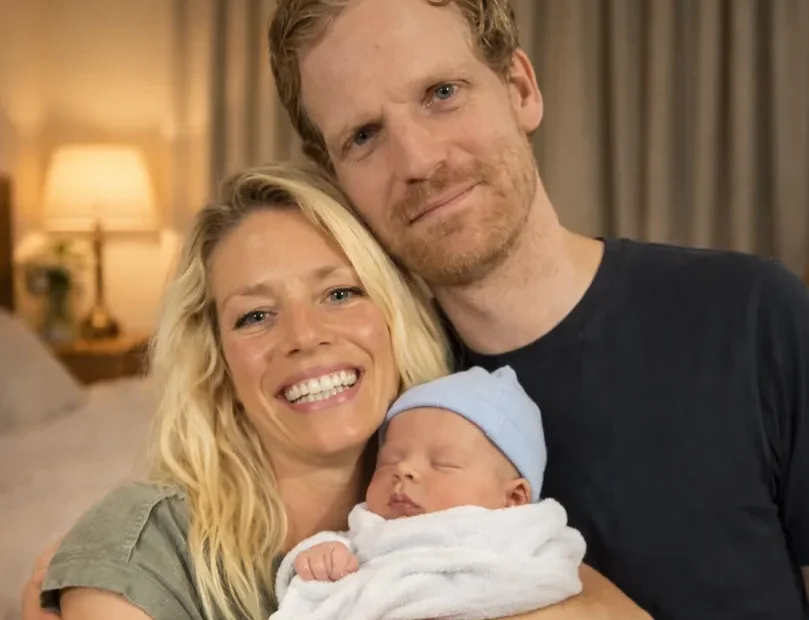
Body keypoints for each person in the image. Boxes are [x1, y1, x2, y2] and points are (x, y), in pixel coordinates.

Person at [263, 0, 809, 618]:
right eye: (363, 136)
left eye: (442, 93)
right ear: (336, 178)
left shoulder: (752, 315)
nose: (418, 162)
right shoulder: (362, 401)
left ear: (521, 90)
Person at [25, 164, 649, 620]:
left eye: (340, 293)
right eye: (255, 316)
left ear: (395, 317)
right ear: (216, 362)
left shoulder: (473, 499)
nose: (304, 337)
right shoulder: (145, 547)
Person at [272, 366, 586, 620]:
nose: (404, 470)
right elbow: (324, 577)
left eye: (443, 463)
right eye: (389, 460)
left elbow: (551, 580)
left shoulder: (525, 547)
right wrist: (320, 559)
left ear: (514, 498)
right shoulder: (365, 537)